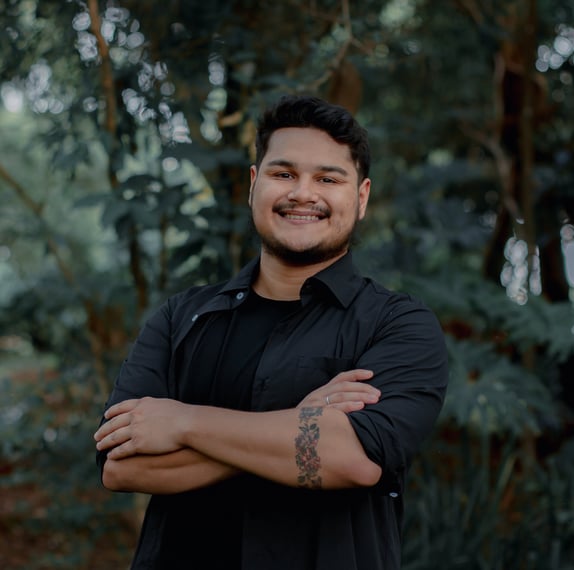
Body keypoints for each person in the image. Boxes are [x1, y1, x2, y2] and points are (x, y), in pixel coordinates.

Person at [94, 95, 449, 570]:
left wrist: (183, 422)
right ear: (254, 184)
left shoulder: (398, 324)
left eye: (327, 179)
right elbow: (120, 466)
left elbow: (353, 459)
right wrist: (302, 422)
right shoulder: (182, 317)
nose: (303, 193)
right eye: (284, 173)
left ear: (361, 197)